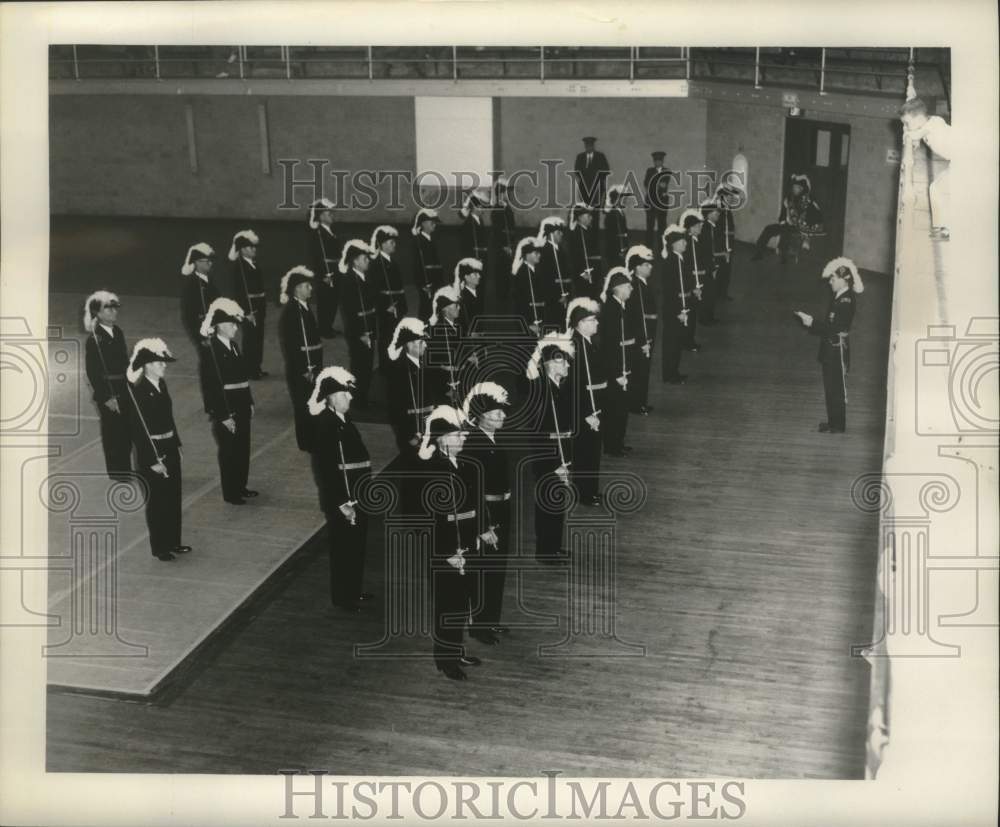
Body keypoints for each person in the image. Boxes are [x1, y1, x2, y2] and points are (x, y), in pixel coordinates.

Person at [416, 405, 487, 681]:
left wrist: (477, 534)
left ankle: (456, 651)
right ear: (442, 440)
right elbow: (429, 520)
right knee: (447, 606)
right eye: (458, 435)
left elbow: (472, 506)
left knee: (461, 603)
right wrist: (447, 553)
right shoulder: (432, 471)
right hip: (445, 553)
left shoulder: (464, 465)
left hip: (466, 546)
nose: (463, 438)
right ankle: (445, 660)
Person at [308, 366, 373, 612]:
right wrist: (341, 502)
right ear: (333, 397)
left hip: (357, 495)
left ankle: (353, 590)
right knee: (343, 549)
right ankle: (343, 597)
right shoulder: (327, 425)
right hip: (344, 500)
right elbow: (325, 469)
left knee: (356, 546)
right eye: (346, 394)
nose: (350, 397)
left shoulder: (344, 421)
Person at [125, 338, 191, 561]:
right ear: (147, 365)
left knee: (173, 496)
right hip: (152, 451)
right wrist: (152, 460)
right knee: (158, 502)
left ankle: (174, 541)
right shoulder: (139, 392)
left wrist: (177, 444)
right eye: (159, 362)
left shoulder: (161, 385)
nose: (164, 365)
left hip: (169, 446)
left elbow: (169, 419)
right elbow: (137, 431)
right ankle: (160, 547)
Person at [461, 382, 512, 643]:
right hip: (487, 514)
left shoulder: (493, 438)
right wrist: (483, 526)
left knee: (496, 569)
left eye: (502, 412)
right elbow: (472, 492)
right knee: (482, 570)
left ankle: (490, 620)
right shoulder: (472, 445)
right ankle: (479, 627)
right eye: (495, 413)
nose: (502, 416)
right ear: (479, 417)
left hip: (501, 511)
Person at [793, 257, 863, 434]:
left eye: (833, 279)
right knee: (830, 387)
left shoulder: (845, 301)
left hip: (836, 349)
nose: (830, 282)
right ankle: (833, 422)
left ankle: (838, 425)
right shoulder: (840, 296)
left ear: (843, 280)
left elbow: (834, 328)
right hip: (831, 347)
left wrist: (811, 322)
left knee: (835, 388)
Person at [199, 297, 257, 506]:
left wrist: (249, 401)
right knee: (230, 451)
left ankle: (241, 486)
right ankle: (231, 492)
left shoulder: (232, 346)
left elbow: (242, 378)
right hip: (227, 408)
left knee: (242, 447)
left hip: (240, 404)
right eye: (232, 324)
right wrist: (222, 415)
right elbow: (211, 387)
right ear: (219, 326)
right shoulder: (212, 350)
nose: (235, 327)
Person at [525, 333, 575, 564]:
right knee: (547, 505)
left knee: (556, 504)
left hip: (561, 456)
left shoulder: (559, 387)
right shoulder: (540, 392)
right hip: (547, 461)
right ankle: (545, 552)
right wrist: (553, 466)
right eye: (562, 361)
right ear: (549, 365)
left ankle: (554, 546)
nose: (567, 364)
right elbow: (536, 436)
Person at [83, 290, 132, 480]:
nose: (113, 312)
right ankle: (117, 472)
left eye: (114, 308)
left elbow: (123, 361)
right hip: (109, 391)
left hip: (123, 387)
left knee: (126, 430)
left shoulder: (117, 332)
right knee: (113, 433)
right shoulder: (95, 339)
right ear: (97, 314)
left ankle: (125, 468)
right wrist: (106, 398)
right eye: (108, 309)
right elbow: (93, 372)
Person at [278, 266, 323, 452]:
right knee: (303, 405)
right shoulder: (291, 312)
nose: (310, 289)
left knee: (312, 402)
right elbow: (291, 346)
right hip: (302, 370)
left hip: (313, 367)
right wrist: (305, 369)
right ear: (297, 289)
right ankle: (306, 442)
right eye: (306, 286)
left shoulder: (304, 309)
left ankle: (313, 437)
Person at [565, 297, 605, 506]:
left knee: (592, 450)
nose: (596, 323)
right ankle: (584, 493)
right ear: (580, 323)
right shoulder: (574, 347)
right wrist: (587, 413)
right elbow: (574, 387)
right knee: (584, 452)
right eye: (592, 320)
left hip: (594, 407)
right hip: (584, 410)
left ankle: (591, 490)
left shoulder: (590, 342)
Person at [900, 97, 951, 238]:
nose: (906, 126)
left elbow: (916, 133)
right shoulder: (928, 124)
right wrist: (914, 140)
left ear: (917, 119)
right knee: (936, 189)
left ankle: (943, 230)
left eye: (906, 123)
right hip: (959, 160)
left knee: (938, 189)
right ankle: (943, 229)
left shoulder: (933, 124)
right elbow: (919, 135)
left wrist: (907, 135)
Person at [598, 267, 634, 457]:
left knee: (621, 408)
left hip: (623, 366)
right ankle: (612, 446)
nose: (631, 290)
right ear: (618, 288)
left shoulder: (619, 306)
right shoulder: (612, 310)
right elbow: (611, 346)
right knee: (614, 409)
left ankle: (618, 442)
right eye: (628, 286)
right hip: (615, 370)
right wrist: (618, 373)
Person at [338, 239, 377, 408]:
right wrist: (360, 333)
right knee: (359, 365)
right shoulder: (348, 281)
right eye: (364, 259)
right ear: (355, 261)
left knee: (367, 364)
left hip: (368, 329)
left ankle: (363, 396)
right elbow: (349, 312)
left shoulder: (365, 278)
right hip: (358, 331)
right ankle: (357, 399)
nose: (367, 261)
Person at [751, 174, 824, 261]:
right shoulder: (788, 199)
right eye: (794, 187)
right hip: (787, 225)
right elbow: (782, 214)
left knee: (786, 233)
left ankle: (783, 257)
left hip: (801, 228)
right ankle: (759, 253)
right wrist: (782, 222)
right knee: (768, 229)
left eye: (797, 187)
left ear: (801, 189)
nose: (795, 189)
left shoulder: (806, 201)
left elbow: (812, 217)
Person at [386, 317, 431, 454]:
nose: (426, 346)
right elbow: (396, 409)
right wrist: (409, 436)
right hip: (412, 433)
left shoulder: (423, 363)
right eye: (421, 342)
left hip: (427, 429)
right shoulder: (399, 370)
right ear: (410, 345)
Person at [227, 229, 268, 379]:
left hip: (259, 306)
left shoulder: (253, 264)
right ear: (243, 249)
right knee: (250, 339)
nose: (254, 249)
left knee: (258, 337)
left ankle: (256, 366)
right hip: (249, 308)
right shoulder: (240, 268)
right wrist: (245, 312)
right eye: (251, 247)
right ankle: (250, 369)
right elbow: (239, 293)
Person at [369, 225, 407, 373]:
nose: (394, 245)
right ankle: (385, 366)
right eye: (391, 242)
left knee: (396, 335)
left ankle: (395, 362)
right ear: (382, 244)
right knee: (385, 336)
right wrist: (384, 307)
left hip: (397, 306)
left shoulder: (394, 263)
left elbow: (400, 288)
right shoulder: (376, 264)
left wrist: (402, 306)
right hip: (386, 307)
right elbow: (373, 290)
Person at [625, 245, 657, 414]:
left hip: (647, 335)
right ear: (637, 267)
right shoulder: (635, 286)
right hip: (641, 336)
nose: (650, 267)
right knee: (638, 371)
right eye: (646, 264)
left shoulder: (643, 283)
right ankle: (636, 404)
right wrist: (643, 340)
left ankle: (640, 401)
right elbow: (638, 317)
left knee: (644, 370)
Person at [660, 225, 692, 385]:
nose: (685, 243)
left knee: (677, 342)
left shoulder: (680, 259)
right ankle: (669, 374)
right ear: (674, 244)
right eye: (682, 241)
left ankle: (674, 371)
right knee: (671, 343)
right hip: (674, 311)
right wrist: (677, 312)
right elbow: (669, 293)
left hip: (682, 308)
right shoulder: (670, 262)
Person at [307, 198, 342, 338]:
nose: (332, 215)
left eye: (332, 213)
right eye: (329, 213)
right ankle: (323, 329)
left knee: (333, 299)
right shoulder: (318, 234)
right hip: (325, 271)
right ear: (321, 216)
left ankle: (328, 326)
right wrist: (323, 275)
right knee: (325, 300)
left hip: (335, 269)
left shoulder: (331, 232)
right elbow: (316, 256)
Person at [426, 284, 464, 406]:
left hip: (458, 377)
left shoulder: (457, 325)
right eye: (455, 306)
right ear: (446, 310)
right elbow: (435, 361)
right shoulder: (438, 330)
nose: (459, 308)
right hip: (445, 382)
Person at [179, 243, 220, 349]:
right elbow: (189, 316)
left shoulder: (209, 280)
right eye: (207, 261)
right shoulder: (192, 284)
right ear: (197, 263)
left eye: (211, 261)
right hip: (203, 332)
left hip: (214, 329)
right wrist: (200, 338)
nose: (210, 263)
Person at [538, 216, 572, 327]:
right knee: (553, 325)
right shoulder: (545, 252)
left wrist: (567, 293)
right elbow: (546, 279)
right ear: (550, 234)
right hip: (552, 299)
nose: (561, 234)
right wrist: (558, 296)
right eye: (558, 232)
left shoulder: (561, 250)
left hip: (564, 296)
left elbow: (567, 274)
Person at [680, 209, 706, 351]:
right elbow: (687, 268)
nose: (700, 228)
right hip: (690, 286)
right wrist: (694, 286)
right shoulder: (688, 244)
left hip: (696, 284)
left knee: (692, 314)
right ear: (690, 228)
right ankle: (687, 341)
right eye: (697, 226)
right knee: (689, 314)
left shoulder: (696, 241)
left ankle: (689, 339)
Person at [412, 208, 444, 320]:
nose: (434, 225)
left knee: (435, 309)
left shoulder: (433, 241)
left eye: (435, 223)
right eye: (432, 223)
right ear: (424, 224)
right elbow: (415, 266)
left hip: (436, 282)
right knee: (426, 310)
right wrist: (422, 285)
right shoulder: (417, 242)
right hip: (426, 284)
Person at [490, 176, 518, 303]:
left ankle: (505, 296)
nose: (507, 195)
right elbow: (497, 232)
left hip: (509, 246)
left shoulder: (508, 209)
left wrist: (511, 245)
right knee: (501, 271)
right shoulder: (497, 209)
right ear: (500, 193)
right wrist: (504, 246)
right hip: (501, 248)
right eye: (505, 192)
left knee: (507, 272)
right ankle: (501, 298)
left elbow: (512, 229)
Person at [511, 236, 546, 338]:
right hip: (529, 322)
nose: (539, 255)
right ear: (527, 255)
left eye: (539, 253)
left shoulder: (536, 271)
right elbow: (520, 302)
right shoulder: (522, 274)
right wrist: (529, 324)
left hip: (538, 318)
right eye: (536, 253)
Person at [567, 203, 604, 300]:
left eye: (591, 216)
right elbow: (573, 256)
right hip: (583, 276)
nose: (591, 218)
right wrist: (582, 273)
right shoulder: (575, 234)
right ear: (579, 217)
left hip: (593, 274)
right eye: (588, 216)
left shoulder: (590, 232)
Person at [572, 136, 611, 219]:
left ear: (593, 146)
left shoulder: (600, 156)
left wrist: (597, 180)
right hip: (584, 188)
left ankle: (595, 231)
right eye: (587, 145)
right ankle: (587, 230)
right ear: (585, 146)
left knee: (595, 213)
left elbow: (606, 170)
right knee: (585, 211)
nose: (588, 147)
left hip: (597, 189)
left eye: (590, 145)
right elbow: (577, 171)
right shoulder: (580, 157)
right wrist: (586, 178)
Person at [699, 201, 723, 325]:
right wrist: (711, 267)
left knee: (711, 292)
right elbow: (706, 251)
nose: (718, 214)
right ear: (708, 214)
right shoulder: (705, 229)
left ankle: (709, 316)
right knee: (707, 292)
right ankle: (704, 318)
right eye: (715, 212)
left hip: (711, 265)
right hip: (706, 266)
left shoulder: (712, 227)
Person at [643, 151, 672, 250]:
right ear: (653, 161)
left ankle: (662, 247)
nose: (657, 163)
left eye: (659, 161)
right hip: (650, 202)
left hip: (662, 202)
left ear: (662, 161)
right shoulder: (649, 170)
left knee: (662, 226)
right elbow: (646, 183)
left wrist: (654, 184)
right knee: (650, 226)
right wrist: (658, 184)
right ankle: (648, 247)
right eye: (656, 161)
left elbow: (664, 184)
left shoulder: (667, 170)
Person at [454, 257, 485, 333]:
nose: (479, 276)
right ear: (466, 277)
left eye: (479, 273)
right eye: (475, 274)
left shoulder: (481, 293)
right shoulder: (462, 298)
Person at [459, 190, 489, 264]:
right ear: (473, 206)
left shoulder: (481, 221)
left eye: (482, 206)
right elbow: (466, 247)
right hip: (473, 261)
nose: (482, 208)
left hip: (482, 259)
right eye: (479, 206)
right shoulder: (468, 224)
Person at [604, 184, 630, 266]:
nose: (625, 200)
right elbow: (611, 235)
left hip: (622, 246)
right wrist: (620, 249)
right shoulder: (612, 214)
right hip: (615, 248)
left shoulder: (620, 212)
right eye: (623, 198)